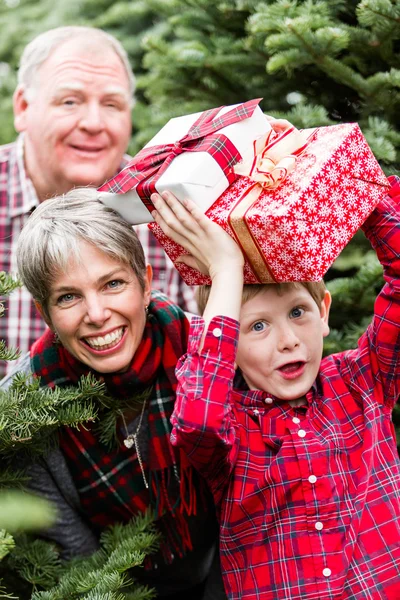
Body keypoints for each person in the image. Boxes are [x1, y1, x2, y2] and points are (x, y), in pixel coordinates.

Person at [150, 176, 400, 599]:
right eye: (259, 326)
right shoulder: (230, 429)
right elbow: (195, 422)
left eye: (298, 312)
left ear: (324, 311)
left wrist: (352, 186)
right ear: (229, 340)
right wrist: (225, 272)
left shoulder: (364, 380)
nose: (288, 340)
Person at [0, 187, 225, 599]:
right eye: (68, 297)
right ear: (44, 313)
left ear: (145, 282)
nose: (97, 314)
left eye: (113, 284)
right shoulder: (24, 412)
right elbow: (75, 558)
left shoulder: (208, 349)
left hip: (232, 575)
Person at [0, 25, 197, 379]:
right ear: (24, 106)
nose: (93, 123)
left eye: (112, 104)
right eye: (70, 101)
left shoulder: (166, 205)